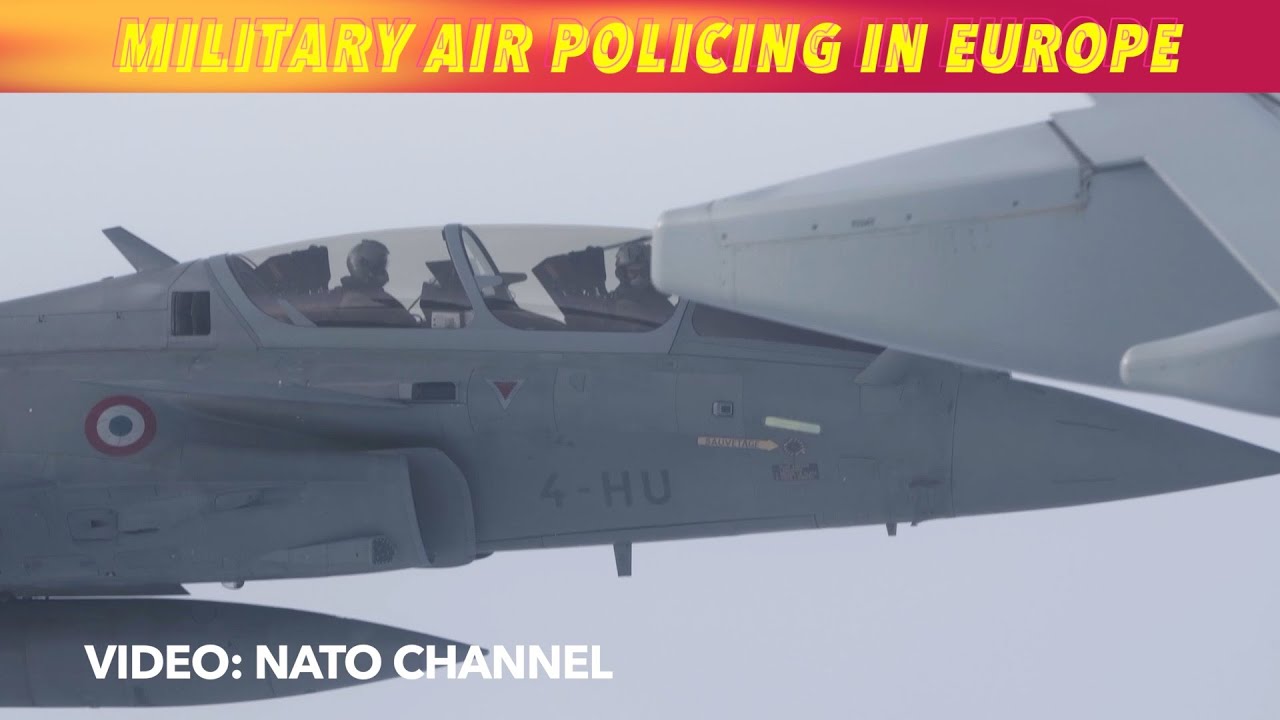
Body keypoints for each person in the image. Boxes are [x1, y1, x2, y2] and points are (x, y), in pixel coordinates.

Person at [331, 239, 418, 327]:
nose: (383, 271)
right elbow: (404, 321)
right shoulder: (354, 300)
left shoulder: (374, 294)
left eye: (383, 265)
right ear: (363, 265)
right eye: (378, 265)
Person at [608, 239, 674, 329]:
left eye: (643, 271)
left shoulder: (660, 303)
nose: (639, 276)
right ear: (623, 274)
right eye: (633, 271)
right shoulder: (615, 303)